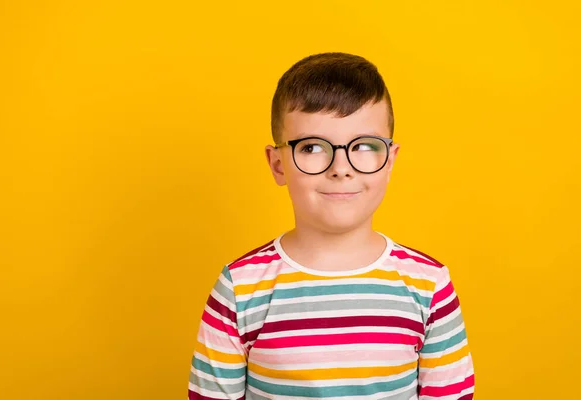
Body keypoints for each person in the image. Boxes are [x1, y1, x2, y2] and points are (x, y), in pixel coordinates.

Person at [188, 52, 475, 399]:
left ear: (390, 162)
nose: (341, 167)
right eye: (311, 147)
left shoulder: (429, 285)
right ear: (278, 165)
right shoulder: (240, 287)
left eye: (365, 145)